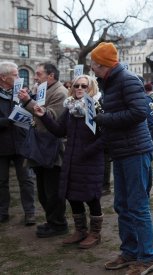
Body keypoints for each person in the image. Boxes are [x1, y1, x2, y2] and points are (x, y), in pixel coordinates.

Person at [89, 42, 153, 274]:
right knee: (122, 205)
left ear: (103, 64)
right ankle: (129, 252)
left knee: (138, 206)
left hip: (136, 150)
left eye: (94, 64)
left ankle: (148, 257)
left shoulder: (127, 79)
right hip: (121, 150)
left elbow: (140, 113)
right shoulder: (107, 82)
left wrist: (104, 118)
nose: (91, 68)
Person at [33, 75, 104, 249]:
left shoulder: (98, 108)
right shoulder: (70, 108)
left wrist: (87, 151)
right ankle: (80, 230)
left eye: (84, 86)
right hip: (71, 159)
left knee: (92, 197)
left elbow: (105, 138)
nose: (80, 88)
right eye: (76, 85)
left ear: (91, 88)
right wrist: (43, 116)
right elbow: (59, 131)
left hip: (90, 160)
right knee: (72, 195)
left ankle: (95, 233)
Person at [18, 62, 68, 238]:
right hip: (40, 144)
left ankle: (59, 224)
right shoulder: (43, 89)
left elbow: (51, 117)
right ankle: (52, 221)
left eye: (39, 74)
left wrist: (28, 102)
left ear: (51, 76)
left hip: (52, 148)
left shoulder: (60, 92)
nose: (35, 77)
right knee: (44, 191)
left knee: (52, 190)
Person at [0, 61, 36, 225]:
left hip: (21, 143)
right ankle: (3, 212)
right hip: (2, 145)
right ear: (3, 77)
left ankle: (30, 212)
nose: (19, 77)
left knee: (26, 180)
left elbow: (33, 111)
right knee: (2, 181)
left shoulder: (21, 93)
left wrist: (28, 101)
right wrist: (6, 121)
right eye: (15, 75)